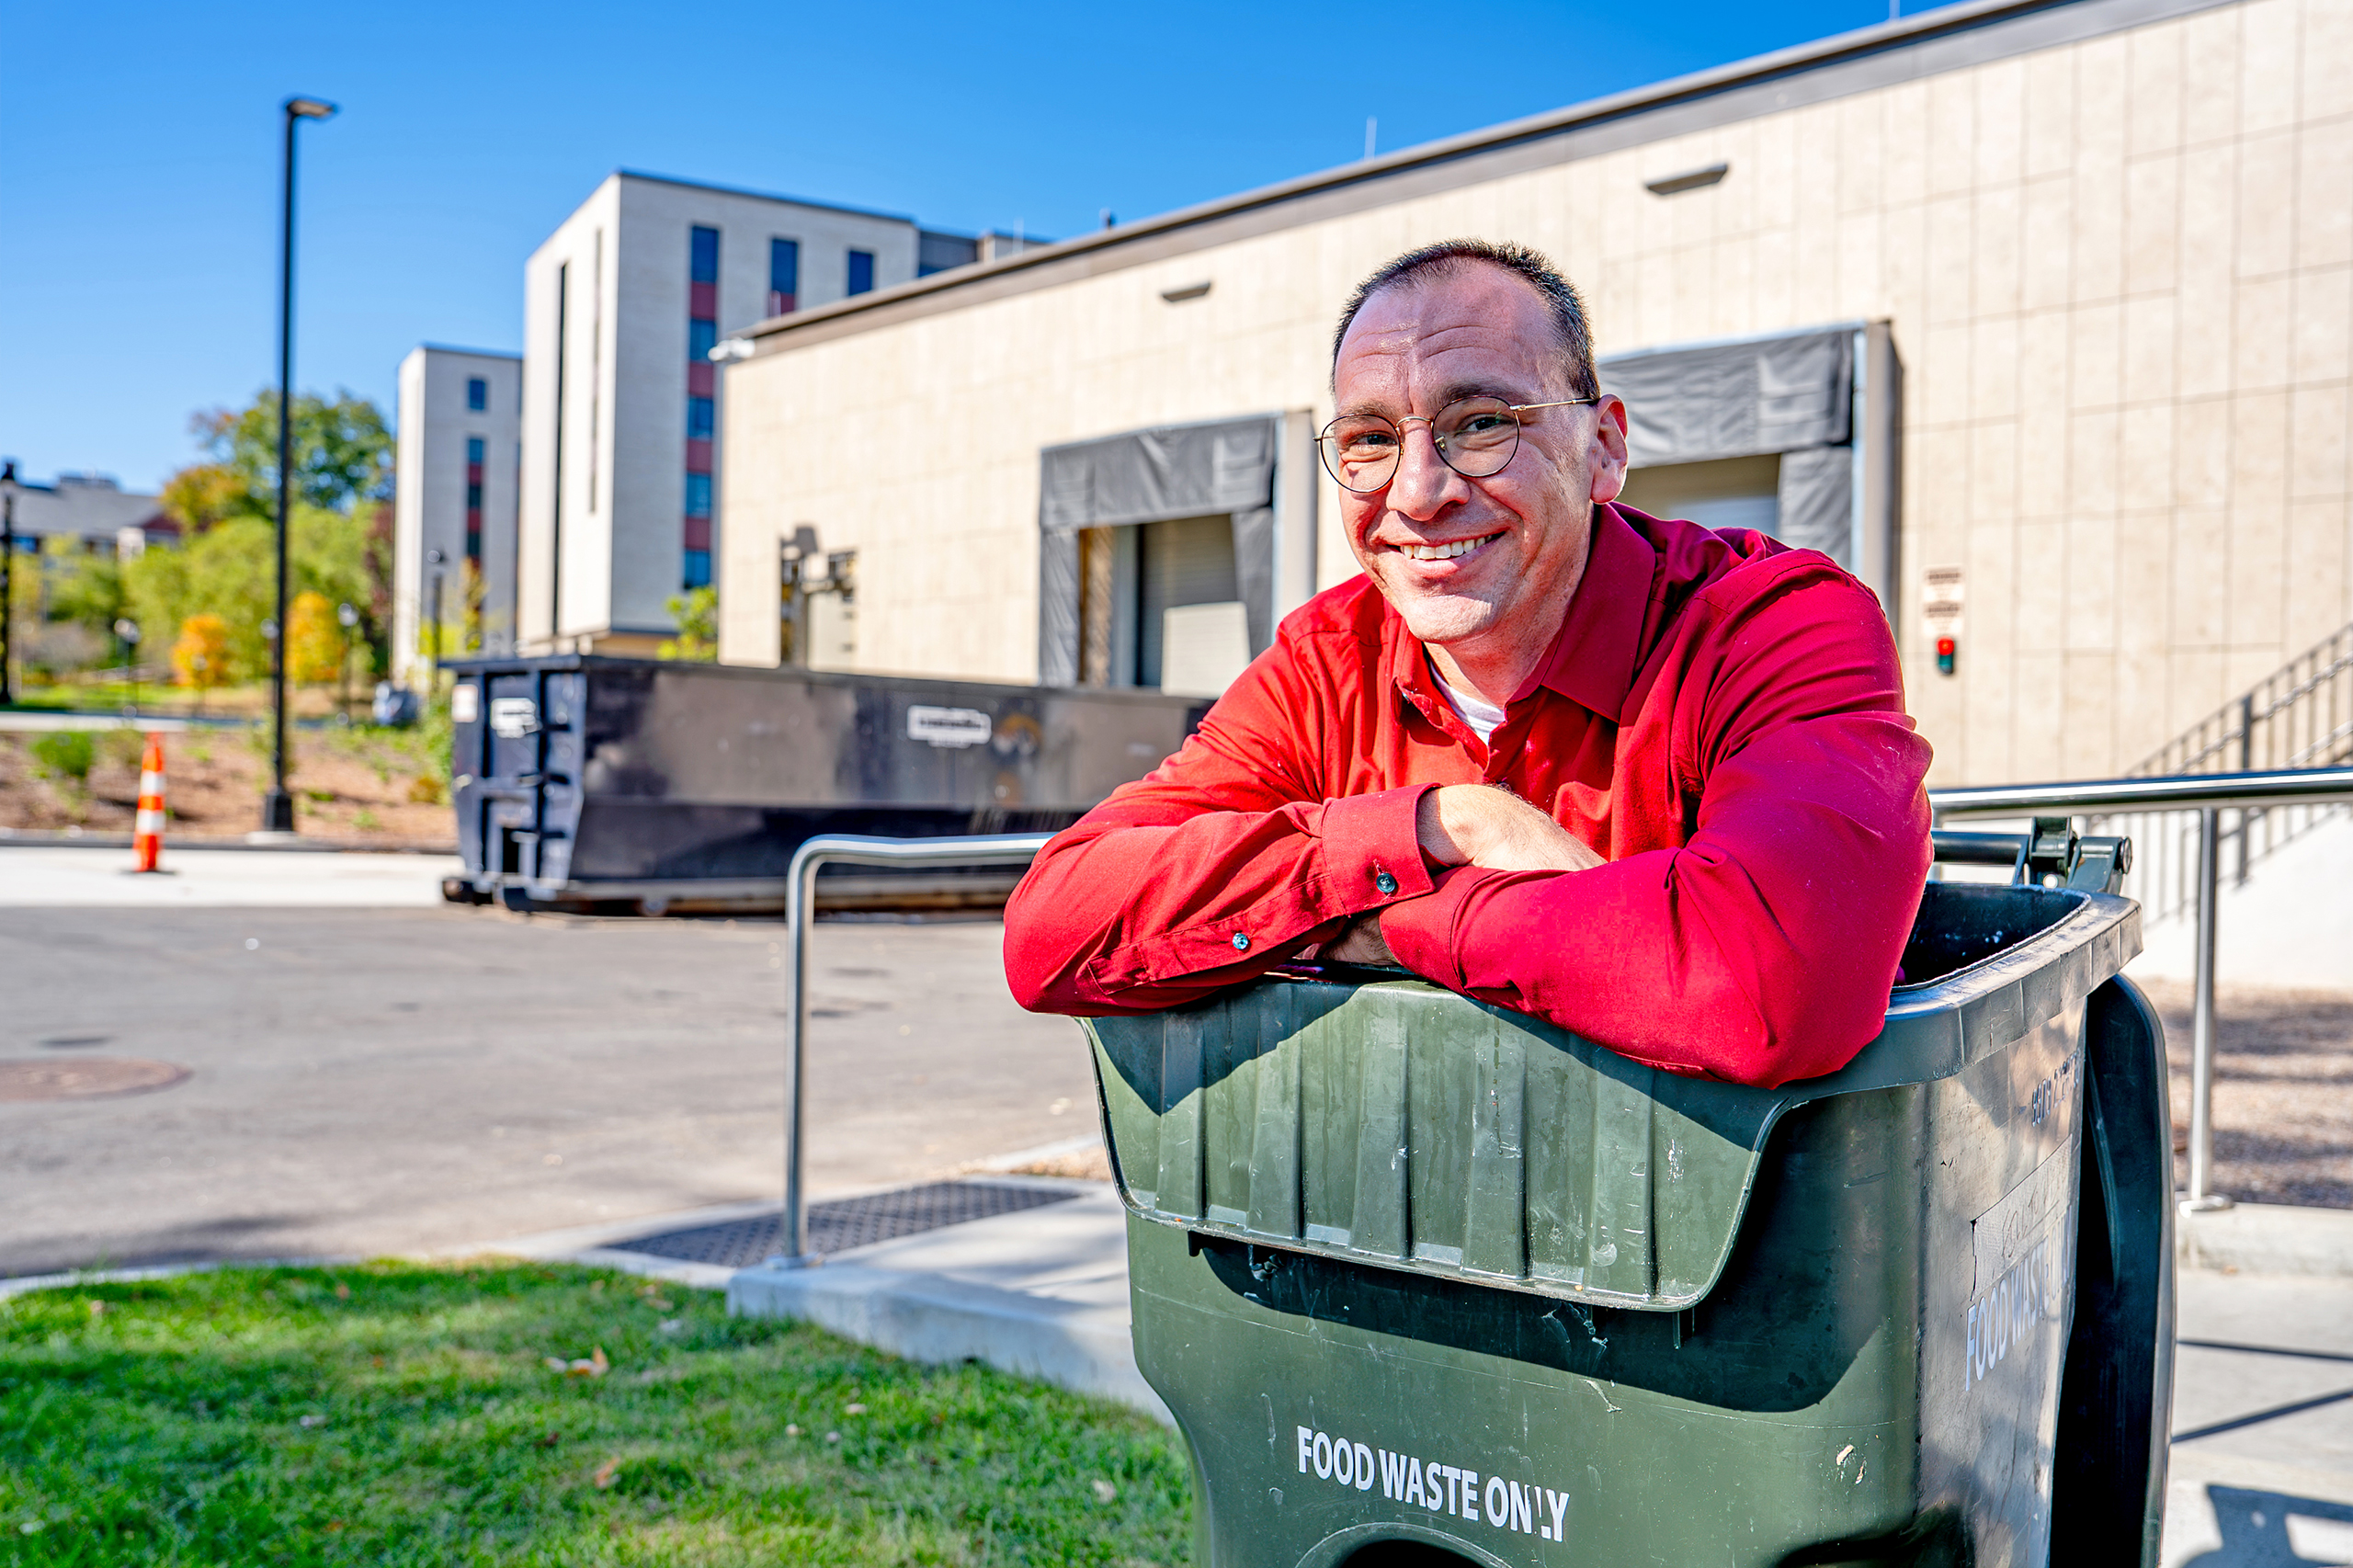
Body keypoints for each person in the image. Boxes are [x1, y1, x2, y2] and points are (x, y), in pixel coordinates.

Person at [1003, 240, 1931, 1087]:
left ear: (1603, 449)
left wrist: (1394, 921)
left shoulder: (1769, 626)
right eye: (1369, 438)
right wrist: (1448, 823)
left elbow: (1773, 982)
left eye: (1481, 422)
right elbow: (1052, 928)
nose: (1416, 492)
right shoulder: (1325, 661)